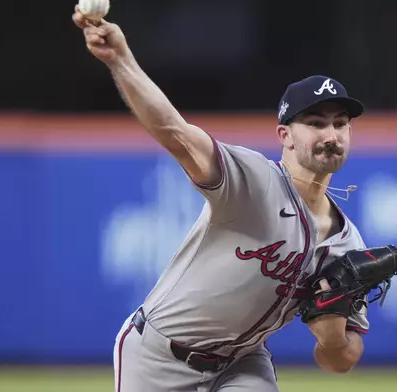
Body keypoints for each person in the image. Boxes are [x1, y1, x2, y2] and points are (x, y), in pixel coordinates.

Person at [72, 8, 372, 392]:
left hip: (242, 362)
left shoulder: (347, 246)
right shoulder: (254, 180)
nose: (331, 134)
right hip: (158, 356)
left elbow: (339, 362)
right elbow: (173, 131)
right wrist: (121, 59)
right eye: (315, 123)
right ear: (286, 135)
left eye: (340, 123)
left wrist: (332, 339)